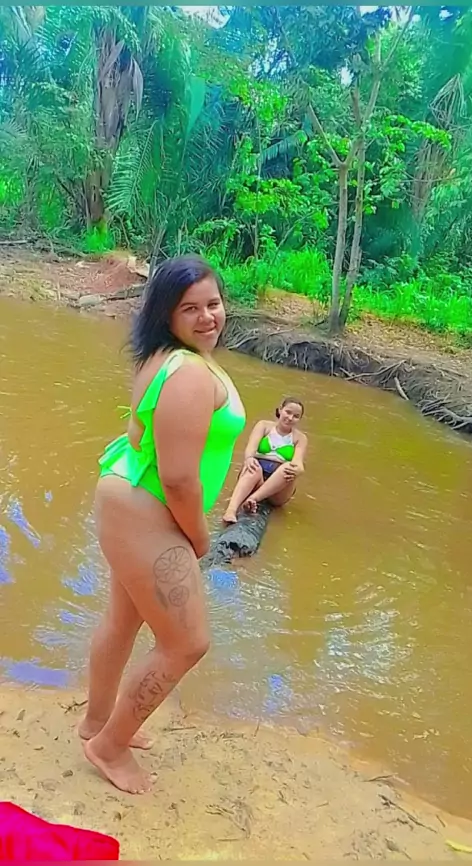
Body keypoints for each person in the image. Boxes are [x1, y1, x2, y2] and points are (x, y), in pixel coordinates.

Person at [79, 255, 246, 795]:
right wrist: (198, 535)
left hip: (127, 494)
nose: (207, 317)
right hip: (150, 508)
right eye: (189, 308)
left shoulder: (162, 357)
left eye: (213, 304)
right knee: (188, 643)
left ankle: (98, 721)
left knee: (122, 620)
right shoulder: (191, 374)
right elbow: (177, 477)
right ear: (166, 314)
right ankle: (109, 746)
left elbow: (138, 435)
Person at [222, 397, 307, 524]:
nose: (290, 418)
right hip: (257, 476)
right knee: (252, 466)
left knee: (288, 467)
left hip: (279, 486)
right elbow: (250, 449)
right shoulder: (264, 426)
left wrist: (298, 470)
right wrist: (249, 459)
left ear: (299, 419)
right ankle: (231, 510)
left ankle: (252, 499)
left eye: (296, 416)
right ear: (280, 410)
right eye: (288, 412)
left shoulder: (300, 438)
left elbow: (298, 463)